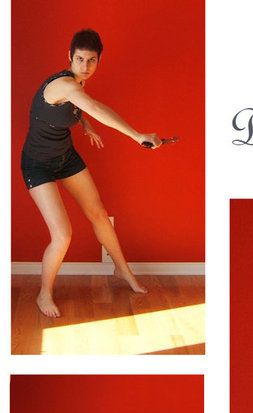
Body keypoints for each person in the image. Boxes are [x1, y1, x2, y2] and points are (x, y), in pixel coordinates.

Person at [21, 28, 163, 319]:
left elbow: (78, 108)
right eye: (80, 59)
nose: (85, 66)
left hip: (66, 157)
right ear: (69, 58)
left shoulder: (77, 82)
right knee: (62, 235)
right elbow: (94, 106)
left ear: (99, 61)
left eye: (92, 60)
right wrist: (137, 136)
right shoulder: (67, 85)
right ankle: (43, 293)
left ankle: (122, 270)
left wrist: (85, 126)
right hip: (38, 165)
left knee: (99, 213)